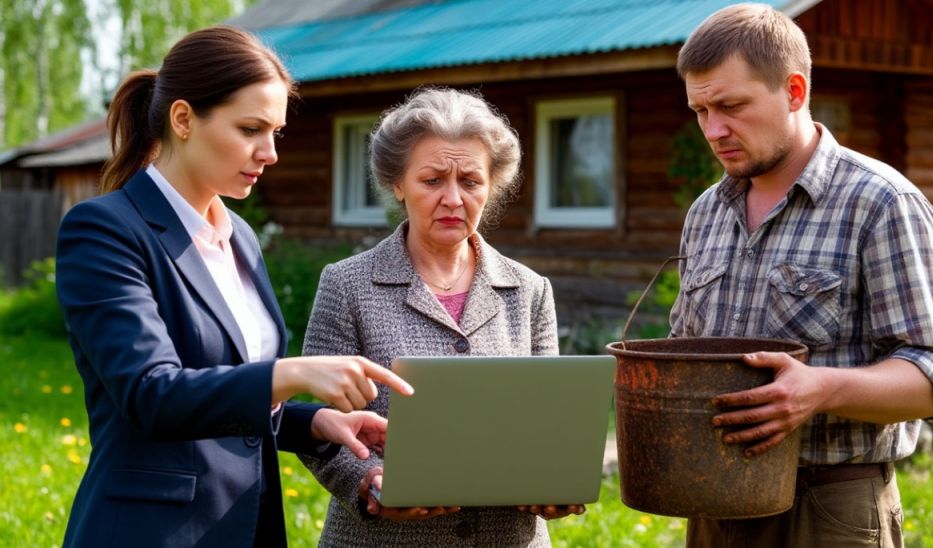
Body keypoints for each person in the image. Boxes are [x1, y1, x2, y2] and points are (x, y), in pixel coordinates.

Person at [55, 25, 413, 548]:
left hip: (249, 528)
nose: (270, 152)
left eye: (276, 133)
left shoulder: (239, 236)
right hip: (150, 532)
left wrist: (314, 424)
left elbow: (230, 392)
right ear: (183, 119)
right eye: (251, 129)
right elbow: (151, 394)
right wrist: (292, 373)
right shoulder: (105, 229)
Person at [670, 4, 933, 547]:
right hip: (711, 502)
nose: (713, 129)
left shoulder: (882, 203)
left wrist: (821, 389)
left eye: (731, 106)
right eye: (700, 110)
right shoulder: (706, 212)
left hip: (829, 509)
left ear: (794, 91)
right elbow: (683, 353)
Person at [298, 87, 583, 547]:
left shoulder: (530, 290)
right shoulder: (346, 284)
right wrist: (369, 482)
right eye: (432, 181)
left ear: (491, 186)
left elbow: (546, 424)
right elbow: (317, 425)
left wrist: (553, 481)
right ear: (397, 184)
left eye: (470, 181)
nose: (453, 198)